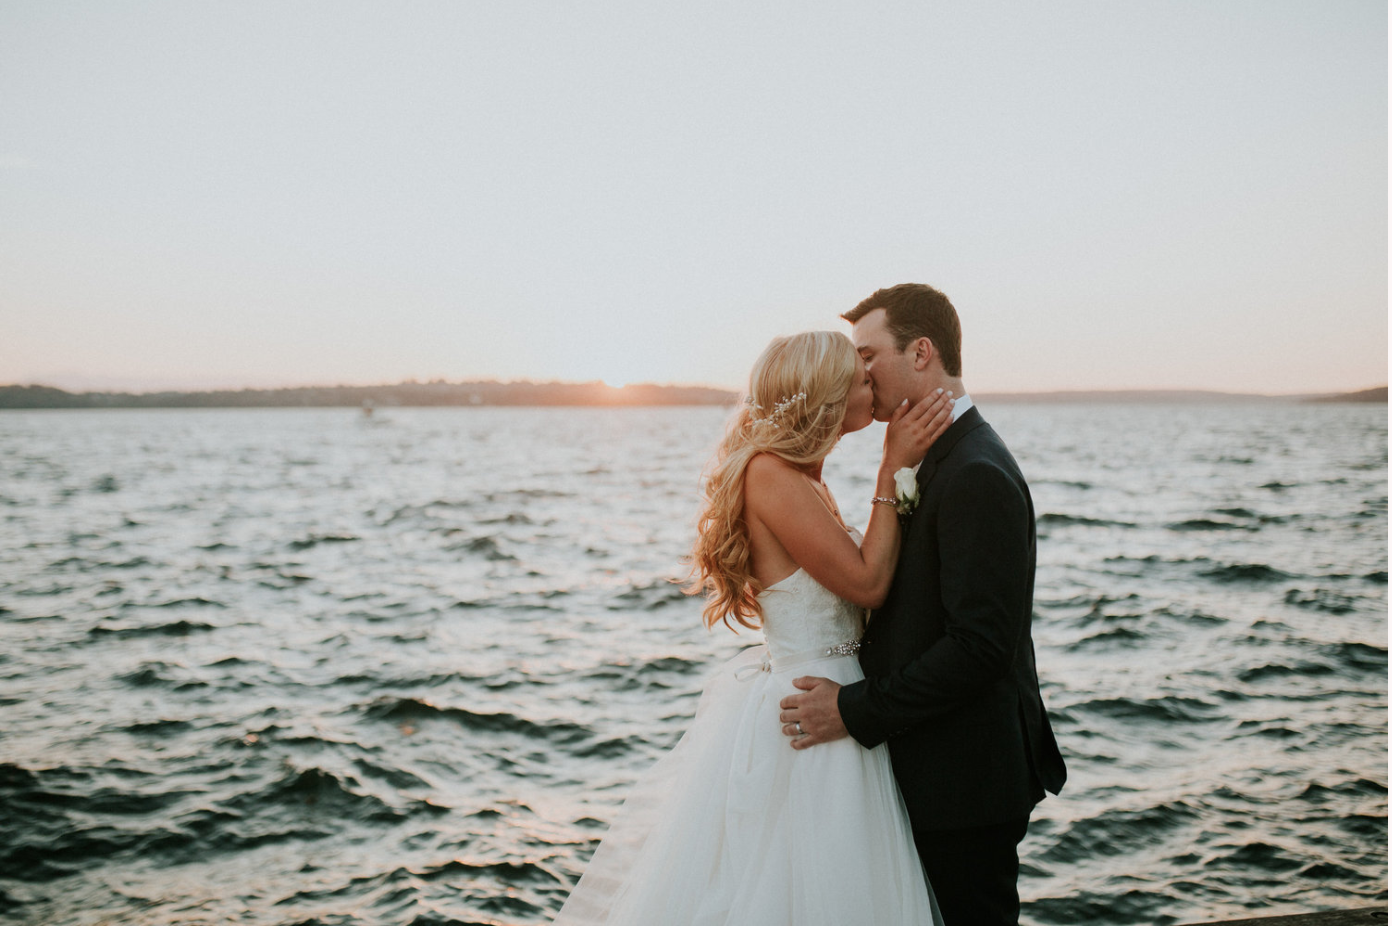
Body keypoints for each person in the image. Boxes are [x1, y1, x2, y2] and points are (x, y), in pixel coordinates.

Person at [552, 330, 954, 926]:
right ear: (827, 394)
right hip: (812, 715)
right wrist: (892, 469)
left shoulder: (807, 479)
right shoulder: (770, 475)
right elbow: (867, 585)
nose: (874, 383)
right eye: (861, 376)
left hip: (840, 700)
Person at [777, 283, 1068, 926]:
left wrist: (851, 710)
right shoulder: (930, 457)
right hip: (927, 770)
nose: (860, 371)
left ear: (922, 353)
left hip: (964, 783)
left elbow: (980, 649)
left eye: (869, 353)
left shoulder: (975, 473)